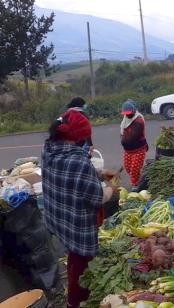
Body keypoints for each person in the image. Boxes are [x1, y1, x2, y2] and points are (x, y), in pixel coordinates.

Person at [42, 110, 117, 308]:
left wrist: (100, 174)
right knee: (81, 265)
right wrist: (111, 189)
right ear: (77, 135)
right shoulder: (79, 160)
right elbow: (96, 198)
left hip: (59, 217)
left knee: (72, 256)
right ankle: (74, 302)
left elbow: (73, 175)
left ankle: (74, 297)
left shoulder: (49, 148)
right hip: (77, 225)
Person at [120, 99, 148, 191]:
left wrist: (123, 140)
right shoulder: (125, 119)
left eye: (129, 113)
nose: (127, 115)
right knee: (128, 168)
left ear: (134, 111)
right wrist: (123, 140)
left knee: (134, 169)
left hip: (138, 149)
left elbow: (132, 137)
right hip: (128, 150)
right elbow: (123, 132)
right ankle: (141, 181)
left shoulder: (139, 120)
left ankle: (136, 186)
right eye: (126, 113)